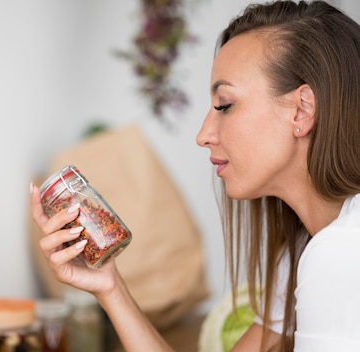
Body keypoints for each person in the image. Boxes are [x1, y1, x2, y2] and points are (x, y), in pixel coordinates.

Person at [29, 0, 360, 351]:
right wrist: (108, 285)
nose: (203, 135)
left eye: (224, 105)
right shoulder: (304, 250)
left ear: (301, 110)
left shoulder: (340, 254)